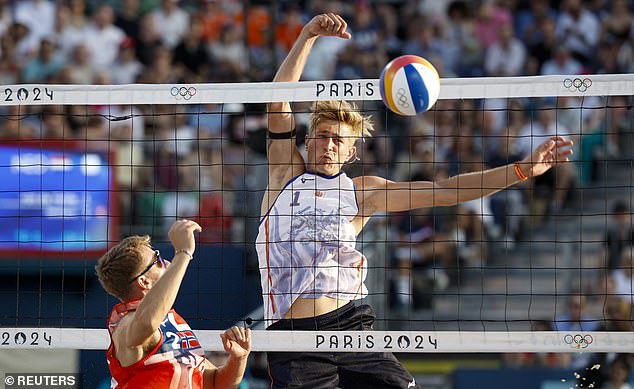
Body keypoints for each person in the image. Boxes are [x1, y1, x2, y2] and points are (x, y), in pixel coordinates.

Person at [257, 13, 574, 389]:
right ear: (308, 141)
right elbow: (278, 104)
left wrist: (522, 169)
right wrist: (308, 35)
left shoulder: (363, 192)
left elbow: (448, 191)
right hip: (294, 340)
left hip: (351, 326)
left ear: (352, 152)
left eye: (338, 140)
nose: (328, 145)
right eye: (322, 136)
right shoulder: (285, 177)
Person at [96, 219, 251, 389]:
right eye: (158, 259)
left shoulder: (171, 321)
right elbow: (147, 322)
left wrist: (238, 358)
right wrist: (183, 253)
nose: (167, 262)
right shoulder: (126, 324)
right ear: (144, 281)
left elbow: (214, 383)